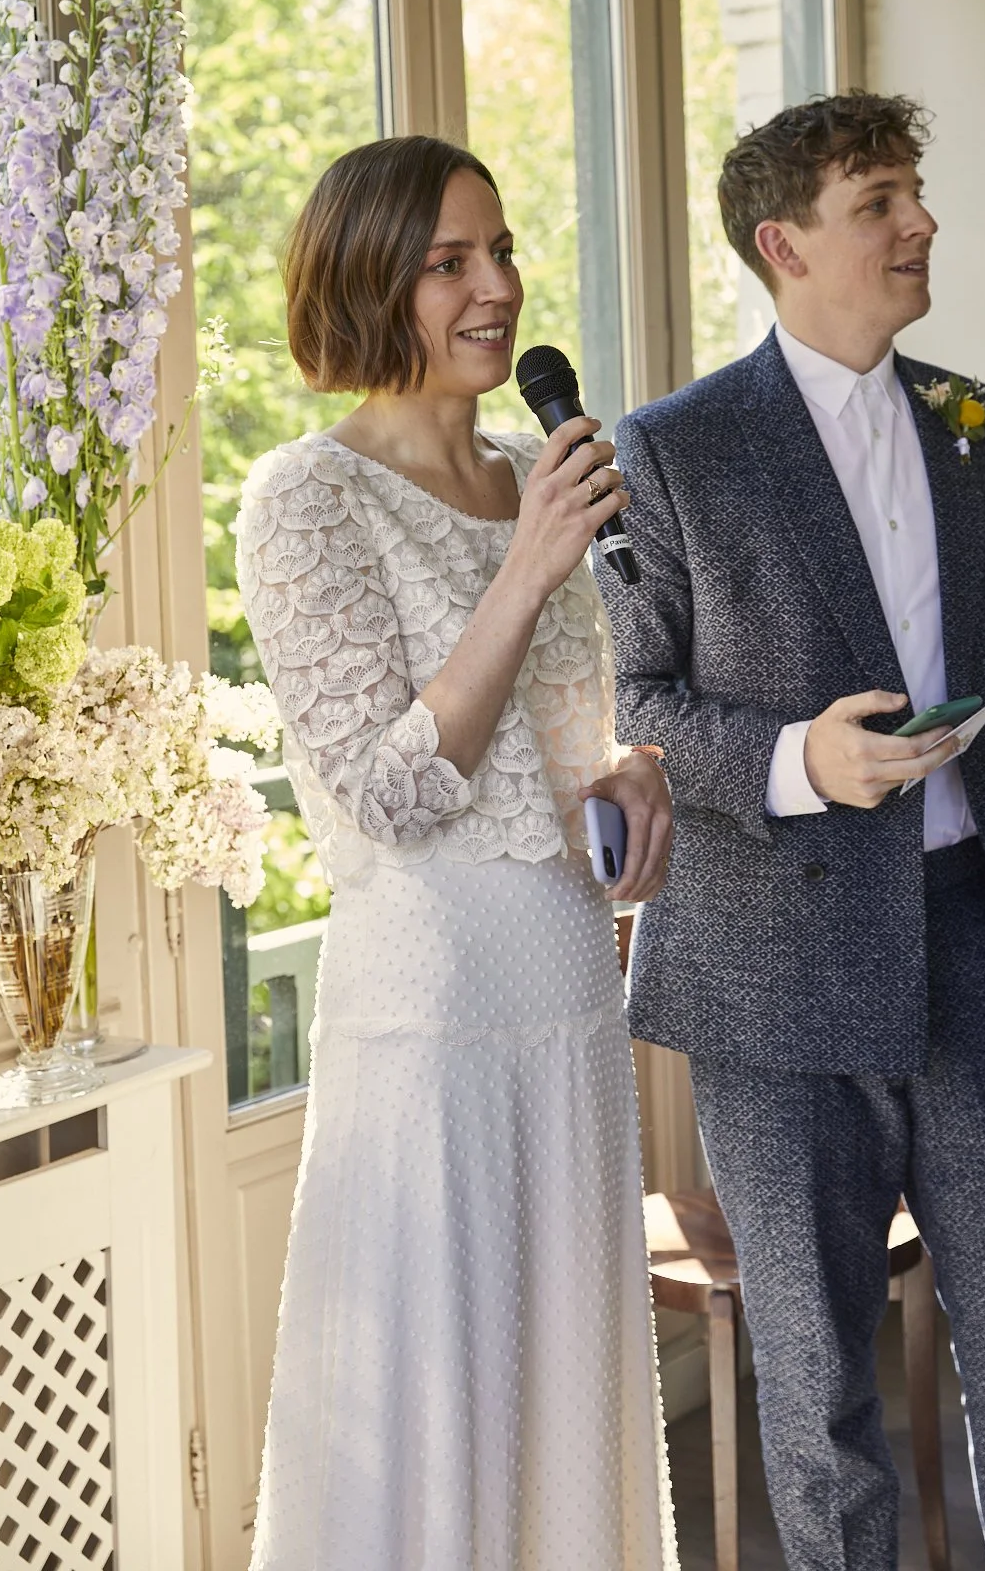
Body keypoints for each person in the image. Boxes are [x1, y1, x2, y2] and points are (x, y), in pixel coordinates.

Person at [605, 92, 985, 1569]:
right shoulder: (674, 448)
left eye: (915, 194)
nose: (920, 222)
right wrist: (798, 761)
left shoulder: (983, 425)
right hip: (773, 973)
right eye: (880, 200)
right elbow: (642, 701)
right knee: (820, 1400)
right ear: (785, 243)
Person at [236, 135, 679, 1571]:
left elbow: (563, 747)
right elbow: (390, 792)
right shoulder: (306, 497)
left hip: (566, 1001)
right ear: (373, 282)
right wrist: (532, 565)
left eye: (500, 251)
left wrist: (630, 775)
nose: (497, 286)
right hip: (426, 1022)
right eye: (451, 263)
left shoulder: (528, 474)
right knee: (435, 1413)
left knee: (566, 1415)